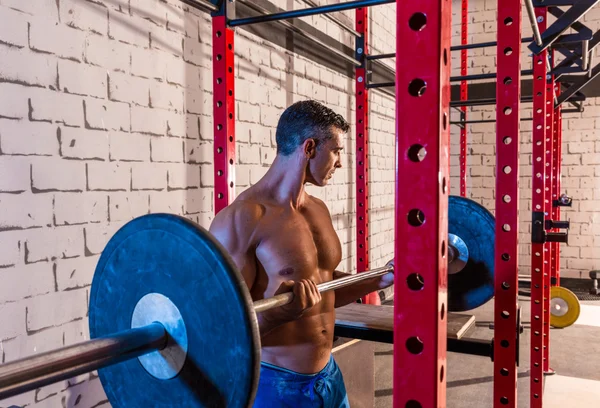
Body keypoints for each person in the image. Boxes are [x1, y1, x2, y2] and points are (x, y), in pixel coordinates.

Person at [209, 100, 394, 407]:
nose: (340, 163)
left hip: (328, 378)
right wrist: (278, 314)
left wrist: (381, 279)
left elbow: (325, 285)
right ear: (309, 148)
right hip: (273, 385)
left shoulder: (317, 209)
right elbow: (222, 328)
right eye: (336, 151)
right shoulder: (242, 219)